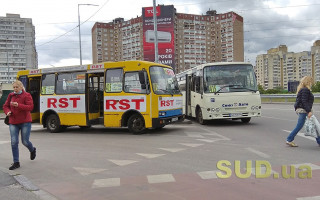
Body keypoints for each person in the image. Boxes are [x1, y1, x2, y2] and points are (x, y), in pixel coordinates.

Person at [3, 80, 36, 170]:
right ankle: (16, 162)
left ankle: (32, 149)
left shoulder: (27, 95)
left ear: (21, 87)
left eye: (17, 87)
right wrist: (8, 112)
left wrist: (18, 105)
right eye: (14, 87)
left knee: (25, 141)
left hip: (25, 122)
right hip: (13, 122)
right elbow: (5, 106)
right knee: (14, 142)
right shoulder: (11, 95)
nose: (15, 89)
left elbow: (30, 107)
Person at [286, 76, 320, 147]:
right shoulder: (305, 90)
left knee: (314, 126)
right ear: (308, 82)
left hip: (303, 110)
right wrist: (309, 111)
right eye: (311, 81)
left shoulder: (303, 89)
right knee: (300, 126)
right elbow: (304, 101)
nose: (312, 83)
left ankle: (319, 141)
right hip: (303, 110)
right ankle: (289, 139)